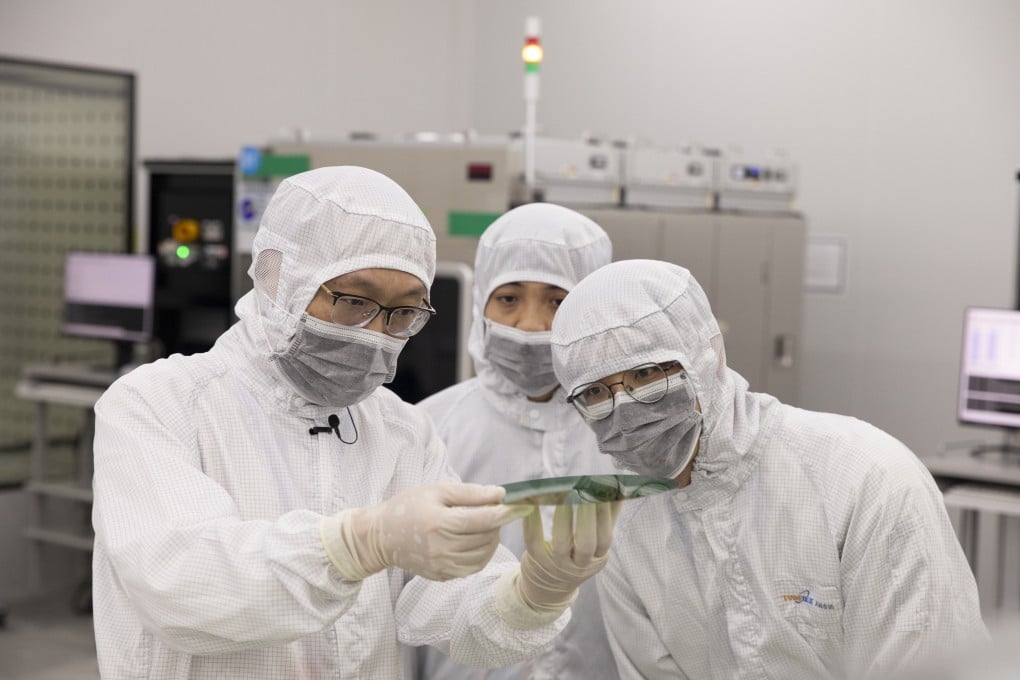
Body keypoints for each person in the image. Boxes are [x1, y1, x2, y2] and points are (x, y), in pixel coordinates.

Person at [90, 166, 617, 679]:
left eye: (402, 313)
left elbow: (440, 603)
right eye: (354, 301)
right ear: (279, 279)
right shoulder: (160, 404)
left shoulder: (401, 431)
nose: (376, 333)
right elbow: (182, 587)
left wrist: (528, 596)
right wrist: (358, 544)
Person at [548, 259, 988, 680]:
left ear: (709, 355)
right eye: (595, 393)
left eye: (646, 373)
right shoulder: (625, 530)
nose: (625, 409)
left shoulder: (864, 480)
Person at [413, 203, 621, 680]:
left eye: (557, 301)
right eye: (508, 298)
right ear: (480, 304)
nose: (529, 324)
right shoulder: (430, 429)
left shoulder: (626, 435)